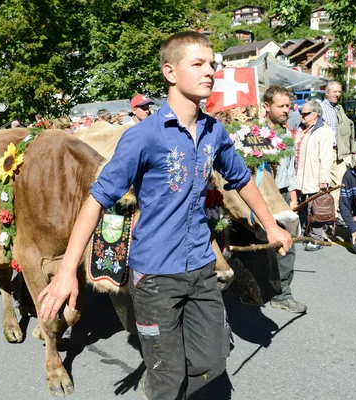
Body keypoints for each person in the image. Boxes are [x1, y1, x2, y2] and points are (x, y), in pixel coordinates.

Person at [37, 32, 292, 399]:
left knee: (212, 359)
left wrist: (271, 226)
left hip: (202, 268)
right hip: (156, 276)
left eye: (213, 65)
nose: (210, 73)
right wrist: (66, 273)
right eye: (199, 64)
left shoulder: (213, 131)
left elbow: (240, 178)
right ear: (170, 72)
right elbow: (97, 200)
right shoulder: (143, 137)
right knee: (166, 375)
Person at [263, 85, 307, 312]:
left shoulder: (286, 135)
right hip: (258, 197)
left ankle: (282, 294)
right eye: (281, 106)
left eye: (288, 106)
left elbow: (290, 172)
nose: (286, 110)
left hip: (280, 195)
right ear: (266, 106)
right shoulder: (252, 135)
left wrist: (292, 199)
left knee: (286, 246)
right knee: (261, 246)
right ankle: (259, 289)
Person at [293, 100, 334, 244]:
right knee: (303, 206)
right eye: (300, 113)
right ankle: (306, 232)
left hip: (314, 175)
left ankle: (316, 239)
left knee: (316, 208)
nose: (301, 116)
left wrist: (324, 179)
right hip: (299, 175)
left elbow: (326, 157)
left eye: (304, 113)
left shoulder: (324, 131)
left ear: (315, 114)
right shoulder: (301, 128)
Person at [320, 81, 355, 225]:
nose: (337, 95)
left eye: (339, 92)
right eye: (334, 92)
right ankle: (320, 214)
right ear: (326, 92)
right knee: (322, 184)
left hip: (338, 151)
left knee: (339, 184)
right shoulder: (320, 108)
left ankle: (332, 216)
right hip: (324, 151)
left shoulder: (338, 109)